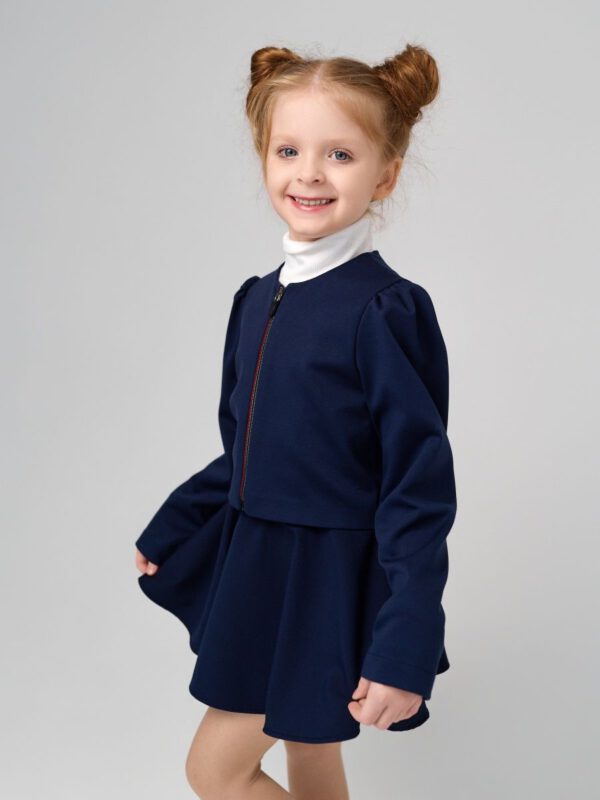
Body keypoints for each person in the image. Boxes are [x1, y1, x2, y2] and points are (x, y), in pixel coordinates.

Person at [134, 43, 457, 800]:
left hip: (326, 581)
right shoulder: (257, 297)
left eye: (339, 154)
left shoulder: (385, 311)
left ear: (386, 175)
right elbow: (248, 447)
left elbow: (417, 488)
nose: (309, 173)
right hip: (262, 570)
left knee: (215, 771)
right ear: (264, 158)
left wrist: (407, 639)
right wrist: (178, 523)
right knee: (312, 759)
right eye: (289, 150)